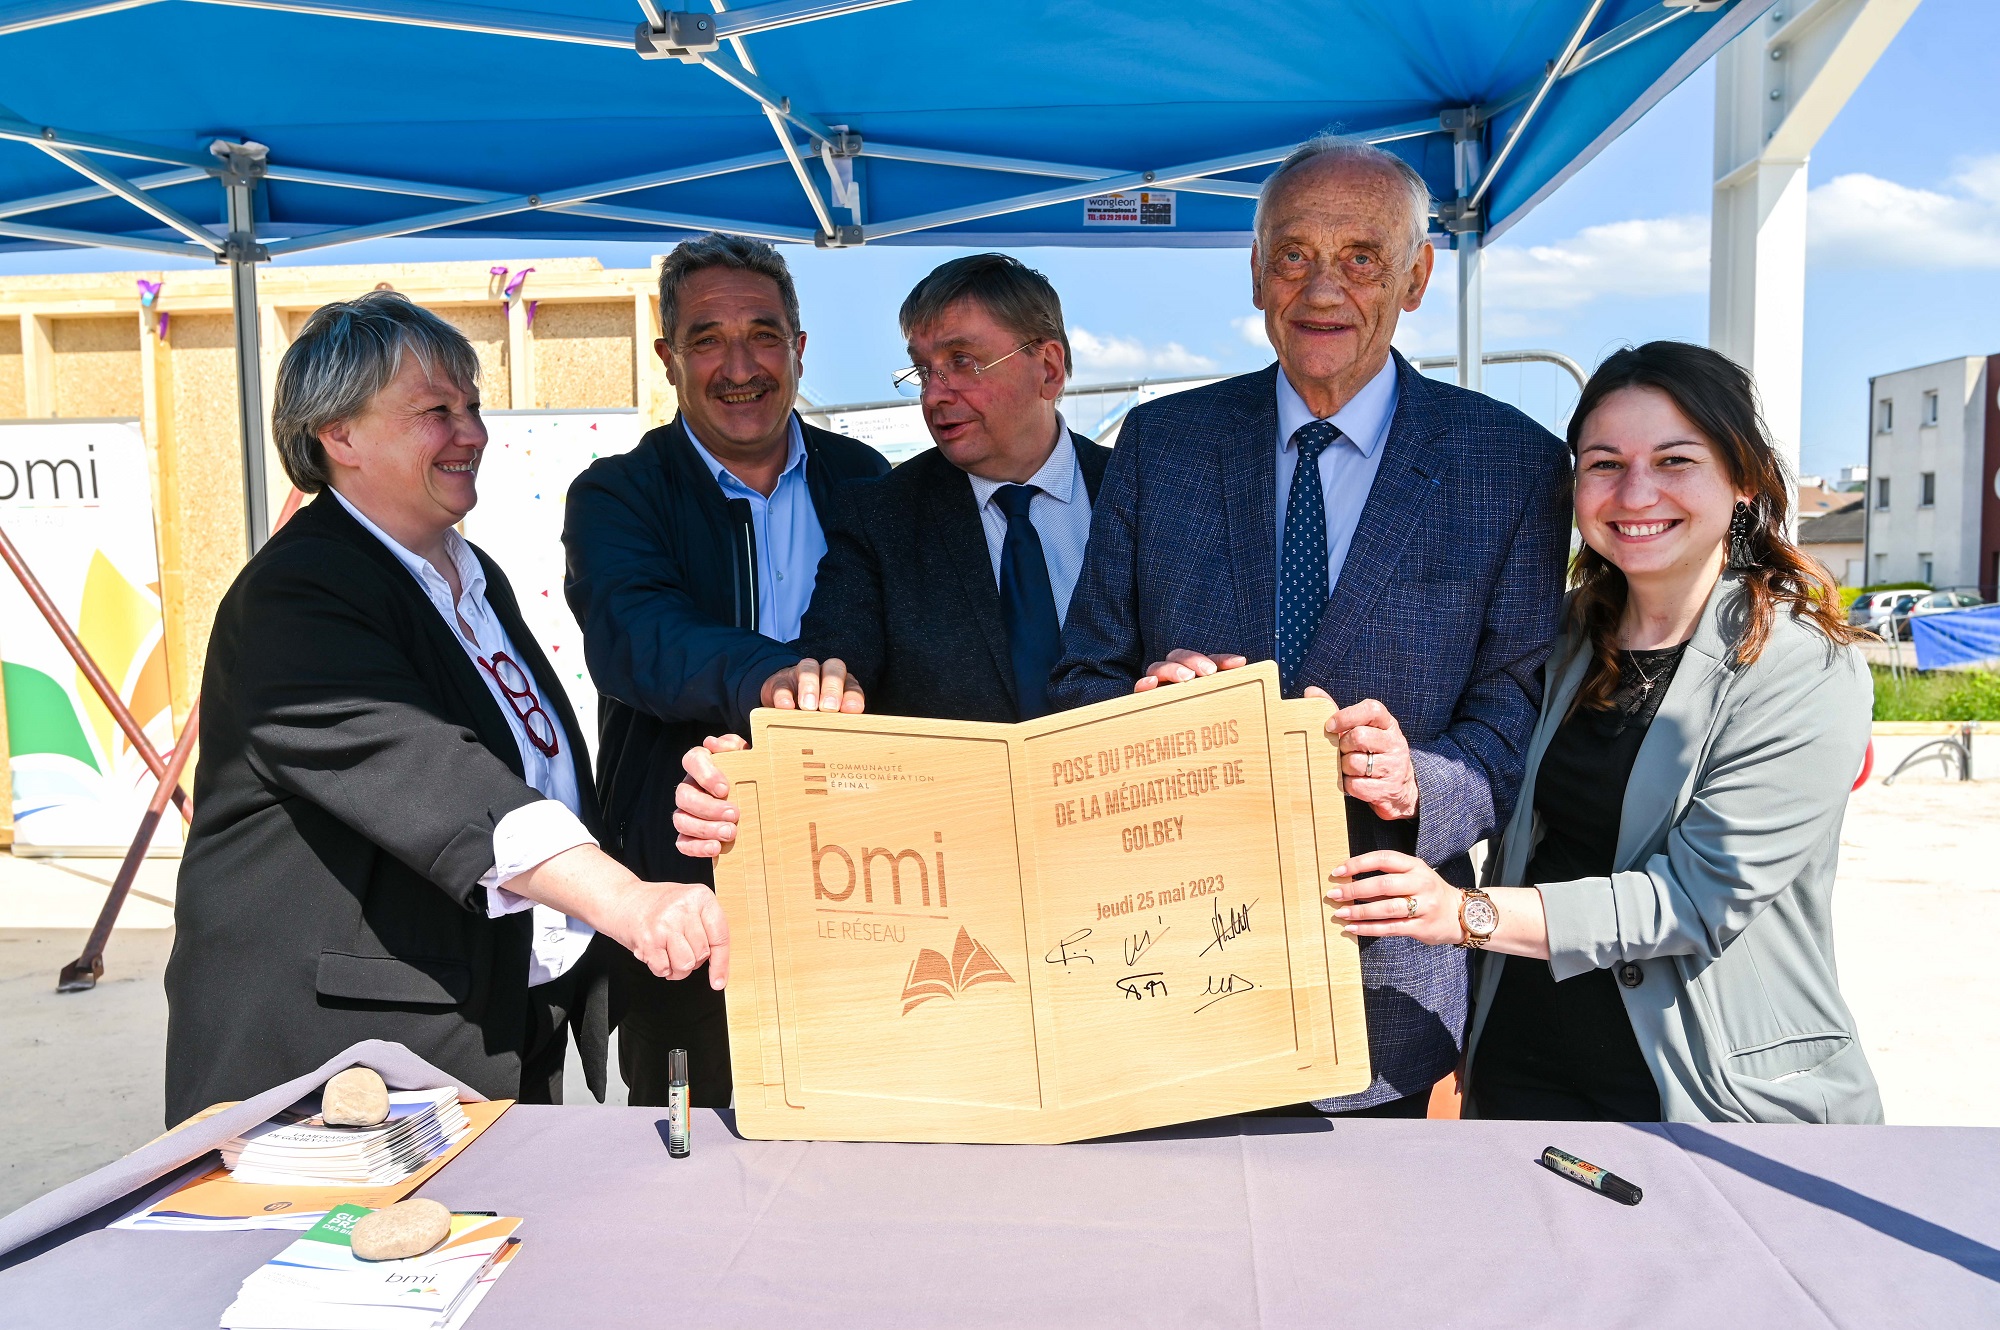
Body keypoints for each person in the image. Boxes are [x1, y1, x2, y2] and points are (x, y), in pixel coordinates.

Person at [1048, 136, 1574, 1117]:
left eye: (1361, 257)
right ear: (1254, 273)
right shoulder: (1160, 445)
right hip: (1164, 964)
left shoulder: (1511, 466)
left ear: (1417, 277)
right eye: (1292, 254)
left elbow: (1514, 720)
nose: (1320, 287)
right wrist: (1140, 708)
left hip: (1386, 991)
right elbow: (1077, 678)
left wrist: (1417, 779)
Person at [164, 293, 728, 1126]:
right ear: (340, 436)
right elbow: (438, 781)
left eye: (471, 406)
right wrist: (629, 901)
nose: (470, 433)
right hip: (346, 1062)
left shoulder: (469, 574)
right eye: (436, 410)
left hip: (489, 1020)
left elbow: (534, 760)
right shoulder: (298, 594)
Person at [1324, 341, 1882, 1124]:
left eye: (1676, 460)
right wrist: (1396, 762)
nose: (1637, 491)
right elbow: (1480, 767)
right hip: (1521, 1074)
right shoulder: (1564, 638)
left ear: (1744, 481)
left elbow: (1695, 899)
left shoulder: (1802, 666)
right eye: (1605, 464)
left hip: (1709, 1098)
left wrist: (1466, 914)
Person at [562, 234, 887, 1107]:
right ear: (668, 358)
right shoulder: (618, 495)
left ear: (799, 349)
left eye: (764, 335)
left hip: (864, 880)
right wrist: (779, 682)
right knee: (692, 1162)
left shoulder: (871, 483)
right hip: (684, 894)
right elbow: (638, 638)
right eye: (707, 339)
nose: (739, 366)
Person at [670, 254, 1110, 838]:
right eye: (924, 371)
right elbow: (831, 674)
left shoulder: (1145, 488)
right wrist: (763, 756)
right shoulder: (880, 515)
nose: (935, 396)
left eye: (962, 362)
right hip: (959, 856)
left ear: (1048, 367)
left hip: (1138, 844)